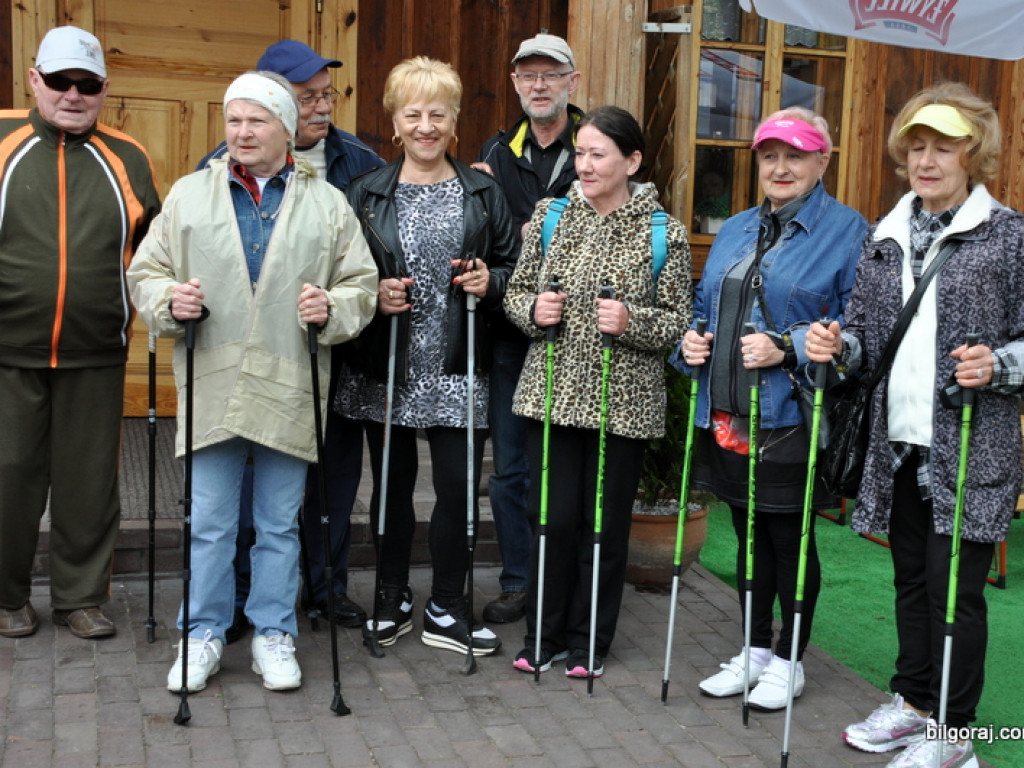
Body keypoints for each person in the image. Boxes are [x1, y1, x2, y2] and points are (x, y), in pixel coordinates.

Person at [127, 71, 377, 693]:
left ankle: (273, 632)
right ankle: (204, 633)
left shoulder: (326, 202)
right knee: (211, 520)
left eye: (255, 120)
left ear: (285, 129)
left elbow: (361, 284)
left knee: (278, 521)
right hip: (213, 376)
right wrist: (168, 300)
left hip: (291, 379)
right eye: (233, 120)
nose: (241, 131)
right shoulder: (190, 195)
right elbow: (146, 272)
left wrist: (332, 309)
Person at [806, 83, 1024, 768]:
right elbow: (869, 339)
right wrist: (839, 347)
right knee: (908, 577)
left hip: (968, 445)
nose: (927, 161)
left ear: (973, 152)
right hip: (897, 443)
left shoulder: (1008, 236)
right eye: (917, 147)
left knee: (953, 588)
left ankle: (956, 734)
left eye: (944, 146)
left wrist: (1000, 364)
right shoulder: (887, 234)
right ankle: (913, 701)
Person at [672, 107, 867, 709]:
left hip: (791, 419)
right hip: (728, 411)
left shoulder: (850, 232)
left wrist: (786, 348)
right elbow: (706, 309)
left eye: (795, 155)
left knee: (789, 538)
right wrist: (690, 342)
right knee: (746, 533)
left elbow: (856, 341)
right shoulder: (733, 228)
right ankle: (755, 648)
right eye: (769, 155)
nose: (780, 167)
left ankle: (790, 660)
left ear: (822, 161)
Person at [198, 39, 385, 642]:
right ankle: (242, 597)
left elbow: (367, 257)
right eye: (307, 99)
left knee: (332, 477)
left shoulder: (358, 160)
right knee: (254, 482)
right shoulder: (217, 166)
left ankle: (325, 588)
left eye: (327, 96)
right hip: (252, 359)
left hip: (337, 351)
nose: (322, 108)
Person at [336, 56, 519, 656]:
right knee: (389, 487)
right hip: (387, 365)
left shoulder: (484, 192)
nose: (425, 126)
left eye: (437, 114)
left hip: (458, 365)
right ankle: (390, 597)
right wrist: (373, 295)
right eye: (412, 114)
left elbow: (517, 272)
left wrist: (488, 282)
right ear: (393, 121)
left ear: (455, 121)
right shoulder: (363, 194)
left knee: (458, 488)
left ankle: (447, 603)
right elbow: (340, 276)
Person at [503, 105, 692, 677]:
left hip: (623, 405)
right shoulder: (550, 216)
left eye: (597, 154)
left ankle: (589, 643)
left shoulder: (664, 231)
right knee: (552, 520)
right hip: (551, 396)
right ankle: (543, 636)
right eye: (579, 154)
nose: (583, 165)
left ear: (631, 161)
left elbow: (678, 323)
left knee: (602, 528)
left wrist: (630, 320)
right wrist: (534, 309)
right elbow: (515, 296)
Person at [0, 26, 161, 640]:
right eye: (61, 81)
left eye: (87, 84)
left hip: (96, 351)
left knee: (89, 482)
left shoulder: (130, 157)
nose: (73, 94)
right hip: (9, 349)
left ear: (103, 90)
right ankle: (7, 594)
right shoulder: (5, 141)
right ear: (35, 80)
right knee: (9, 475)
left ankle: (80, 597)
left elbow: (153, 253)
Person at [471, 33, 584, 624]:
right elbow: (488, 238)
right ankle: (520, 581)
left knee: (568, 467)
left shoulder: (598, 144)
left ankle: (565, 583)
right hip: (514, 335)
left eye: (550, 74)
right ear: (516, 84)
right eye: (528, 76)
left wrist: (527, 240)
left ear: (573, 80)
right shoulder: (495, 150)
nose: (539, 85)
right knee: (511, 467)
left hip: (583, 337)